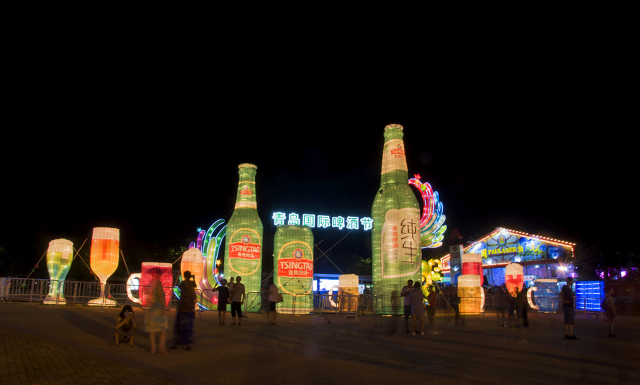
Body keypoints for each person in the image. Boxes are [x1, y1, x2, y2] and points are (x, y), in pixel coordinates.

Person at [170, 271, 197, 350]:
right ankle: (187, 344)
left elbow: (182, 290)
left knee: (179, 326)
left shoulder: (183, 283)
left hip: (182, 307)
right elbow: (194, 293)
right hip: (188, 308)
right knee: (188, 327)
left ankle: (176, 344)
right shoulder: (191, 284)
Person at [145, 280, 169, 354]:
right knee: (163, 330)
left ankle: (153, 348)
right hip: (158, 309)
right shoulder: (158, 283)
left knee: (152, 330)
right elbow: (161, 296)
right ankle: (161, 348)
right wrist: (164, 308)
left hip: (151, 309)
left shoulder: (150, 282)